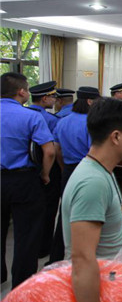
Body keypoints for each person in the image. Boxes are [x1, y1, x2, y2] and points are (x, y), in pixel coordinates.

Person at [62, 97, 122, 302]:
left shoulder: (103, 171)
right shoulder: (92, 182)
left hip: (114, 281)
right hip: (102, 291)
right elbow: (82, 259)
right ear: (116, 137)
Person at [1, 72, 55, 288]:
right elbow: (49, 151)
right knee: (27, 235)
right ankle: (21, 285)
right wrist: (45, 174)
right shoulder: (31, 116)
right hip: (23, 180)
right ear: (21, 92)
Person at [50, 86, 101, 263]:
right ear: (90, 101)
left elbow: (57, 150)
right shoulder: (91, 123)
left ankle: (56, 257)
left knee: (65, 214)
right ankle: (85, 259)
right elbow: (94, 152)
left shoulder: (63, 121)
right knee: (88, 216)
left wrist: (64, 167)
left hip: (68, 170)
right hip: (88, 171)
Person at [28, 80, 62, 257]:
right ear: (44, 99)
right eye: (52, 96)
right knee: (48, 209)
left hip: (25, 172)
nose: (55, 99)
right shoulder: (49, 119)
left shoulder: (24, 113)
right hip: (46, 169)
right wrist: (46, 173)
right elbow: (51, 150)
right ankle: (44, 248)